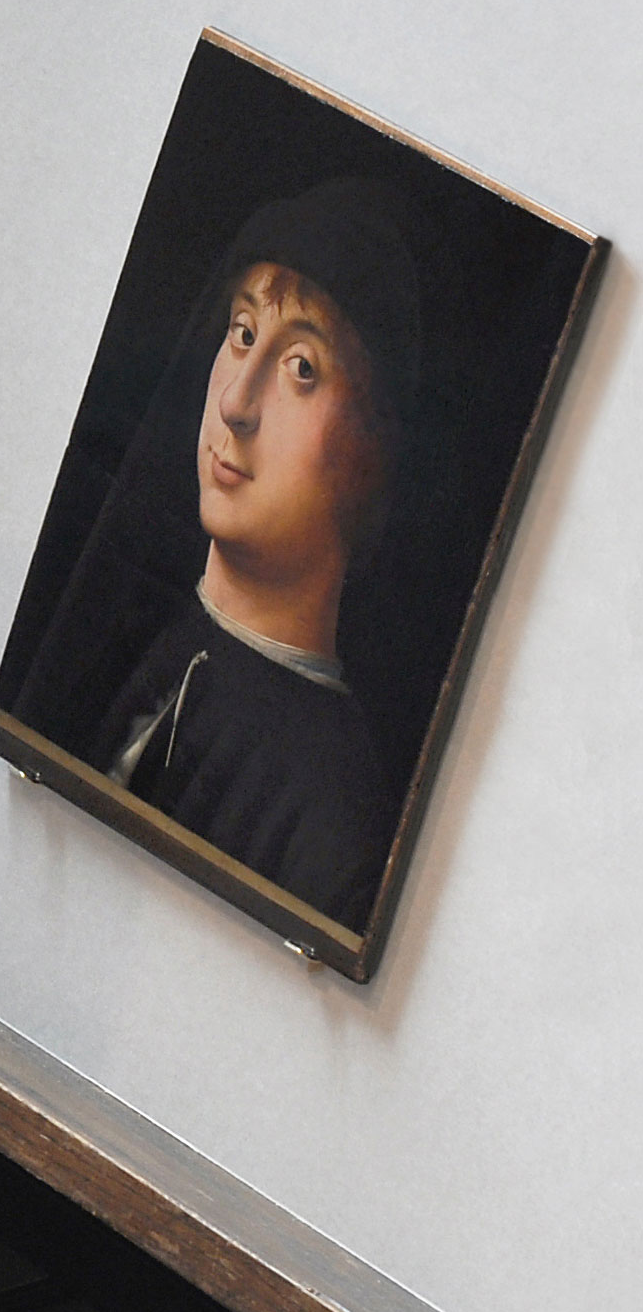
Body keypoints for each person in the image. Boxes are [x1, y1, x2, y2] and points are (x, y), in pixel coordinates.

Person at [88, 183, 413, 928]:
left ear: (370, 453)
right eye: (240, 332)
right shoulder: (132, 636)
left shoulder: (336, 815)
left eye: (301, 367)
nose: (236, 401)